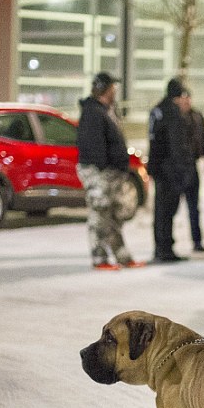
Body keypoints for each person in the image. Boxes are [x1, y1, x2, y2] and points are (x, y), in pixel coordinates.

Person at [75, 72, 145, 271]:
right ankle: (100, 258)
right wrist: (105, 167)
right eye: (113, 87)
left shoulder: (108, 110)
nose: (115, 91)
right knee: (100, 214)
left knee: (113, 216)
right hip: (99, 172)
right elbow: (93, 145)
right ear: (105, 89)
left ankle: (122, 256)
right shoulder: (93, 112)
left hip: (111, 172)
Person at [148, 78, 198, 263]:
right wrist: (183, 170)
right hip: (169, 169)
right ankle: (165, 249)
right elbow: (177, 145)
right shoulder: (172, 113)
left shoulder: (157, 110)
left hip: (158, 167)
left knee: (160, 210)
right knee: (167, 210)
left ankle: (160, 247)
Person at [179, 90, 204, 253]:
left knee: (194, 207)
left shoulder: (197, 116)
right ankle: (167, 243)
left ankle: (197, 241)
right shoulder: (175, 118)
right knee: (172, 207)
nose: (186, 102)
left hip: (192, 165)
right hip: (178, 167)